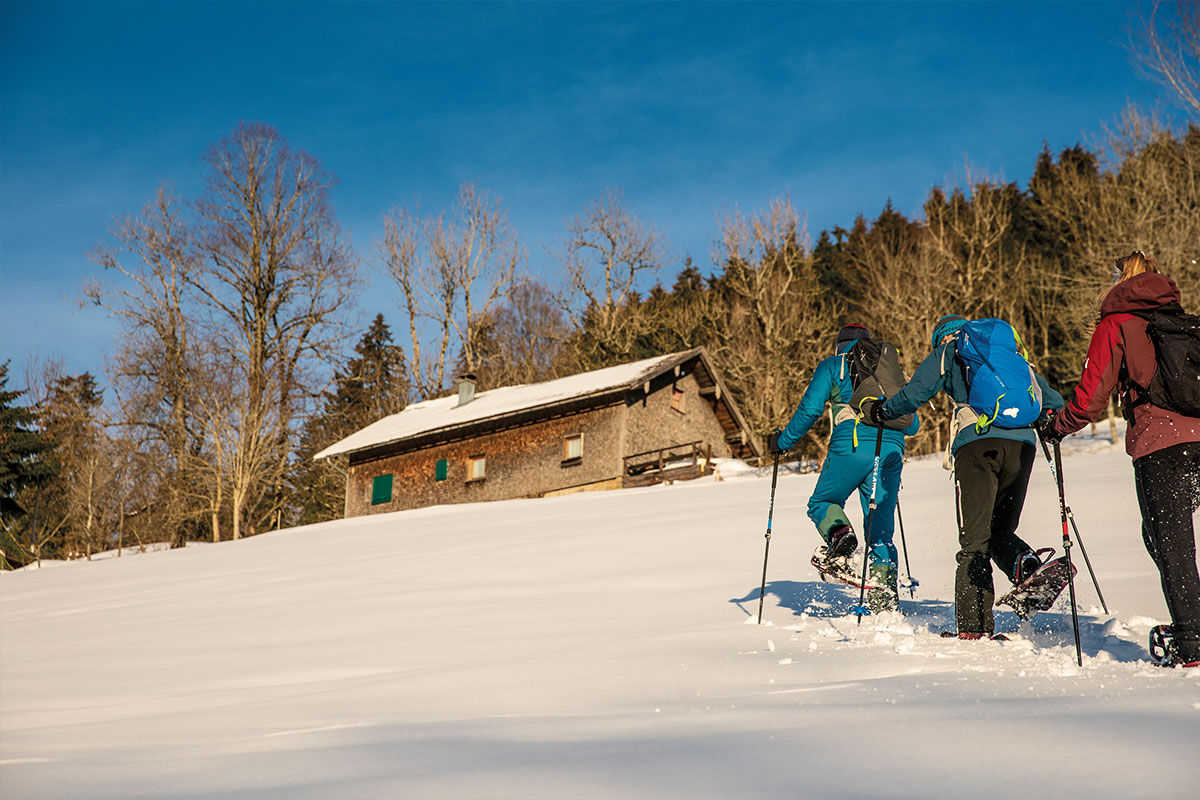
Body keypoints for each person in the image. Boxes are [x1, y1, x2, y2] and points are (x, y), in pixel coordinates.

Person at [1042, 251, 1200, 667]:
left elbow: (1091, 399)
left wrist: (1058, 425)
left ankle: (1193, 643)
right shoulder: (1181, 320)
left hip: (1160, 445)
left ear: (1118, 282)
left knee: (1172, 545)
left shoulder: (1116, 325)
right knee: (1164, 540)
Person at [864, 315, 1065, 638]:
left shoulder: (948, 351)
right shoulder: (1008, 356)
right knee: (1000, 529)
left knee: (974, 541)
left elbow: (915, 393)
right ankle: (1027, 567)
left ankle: (973, 628)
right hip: (1023, 446)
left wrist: (882, 411)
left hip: (977, 445)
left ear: (942, 338)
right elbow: (1052, 402)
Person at [767, 324, 919, 612]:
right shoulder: (890, 373)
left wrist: (782, 441)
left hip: (851, 446)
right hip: (891, 452)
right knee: (881, 533)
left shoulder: (833, 366)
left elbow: (810, 410)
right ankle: (883, 604)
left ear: (840, 347)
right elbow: (913, 425)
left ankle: (840, 536)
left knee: (822, 502)